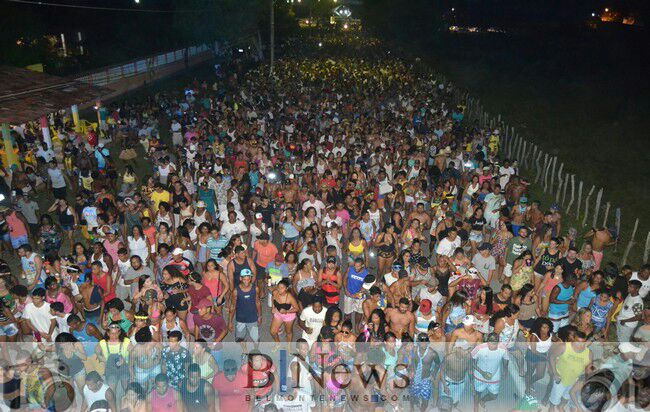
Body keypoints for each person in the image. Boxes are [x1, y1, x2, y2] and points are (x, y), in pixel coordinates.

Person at [471, 332, 509, 411]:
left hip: (495, 375)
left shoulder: (503, 348)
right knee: (477, 393)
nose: (493, 345)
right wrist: (482, 373)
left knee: (494, 395)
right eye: (491, 342)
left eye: (495, 342)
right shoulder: (479, 348)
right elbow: (471, 362)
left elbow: (506, 359)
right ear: (487, 341)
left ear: (498, 341)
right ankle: (476, 408)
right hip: (479, 375)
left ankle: (483, 400)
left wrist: (505, 369)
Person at [228, 268, 261, 345]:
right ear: (240, 278)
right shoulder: (236, 291)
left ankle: (256, 351)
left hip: (252, 318)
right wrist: (230, 322)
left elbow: (258, 302)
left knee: (256, 339)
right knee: (240, 339)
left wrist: (260, 316)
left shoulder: (255, 289)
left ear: (251, 278)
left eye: (248, 279)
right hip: (240, 318)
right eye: (244, 279)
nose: (246, 281)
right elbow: (232, 306)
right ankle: (244, 352)